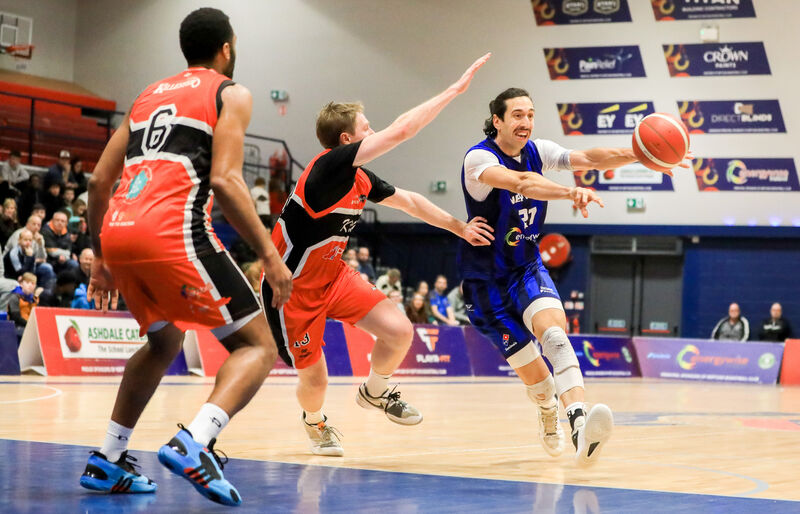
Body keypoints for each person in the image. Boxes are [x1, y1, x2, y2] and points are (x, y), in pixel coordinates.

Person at [78, 8, 292, 507]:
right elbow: (225, 180)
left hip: (120, 231)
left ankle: (108, 458)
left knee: (162, 342)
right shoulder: (229, 92)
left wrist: (102, 257)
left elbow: (96, 182)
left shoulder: (147, 96)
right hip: (170, 230)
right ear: (227, 48)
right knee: (258, 346)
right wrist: (269, 255)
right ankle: (195, 441)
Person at [261, 53, 492, 457]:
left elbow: (412, 203)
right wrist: (454, 90)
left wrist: (460, 228)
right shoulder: (326, 169)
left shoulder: (361, 178)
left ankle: (376, 392)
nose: (375, 132)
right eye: (367, 128)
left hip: (334, 277)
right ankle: (314, 422)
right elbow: (403, 131)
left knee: (400, 331)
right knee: (316, 382)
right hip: (291, 291)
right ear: (348, 141)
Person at [457, 88, 693, 467]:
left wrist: (643, 155)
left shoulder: (539, 149)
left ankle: (580, 427)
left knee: (555, 338)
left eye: (531, 114)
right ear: (497, 120)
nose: (526, 122)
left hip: (526, 269)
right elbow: (522, 184)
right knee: (540, 383)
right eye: (517, 115)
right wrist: (570, 192)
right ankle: (548, 410)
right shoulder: (479, 159)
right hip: (486, 282)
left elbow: (588, 158)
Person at [7, 272, 41, 337]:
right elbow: (16, 317)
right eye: (27, 283)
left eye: (33, 283)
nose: (30, 285)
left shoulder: (35, 299)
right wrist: (30, 325)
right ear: (21, 284)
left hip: (30, 327)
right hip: (17, 327)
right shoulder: (14, 297)